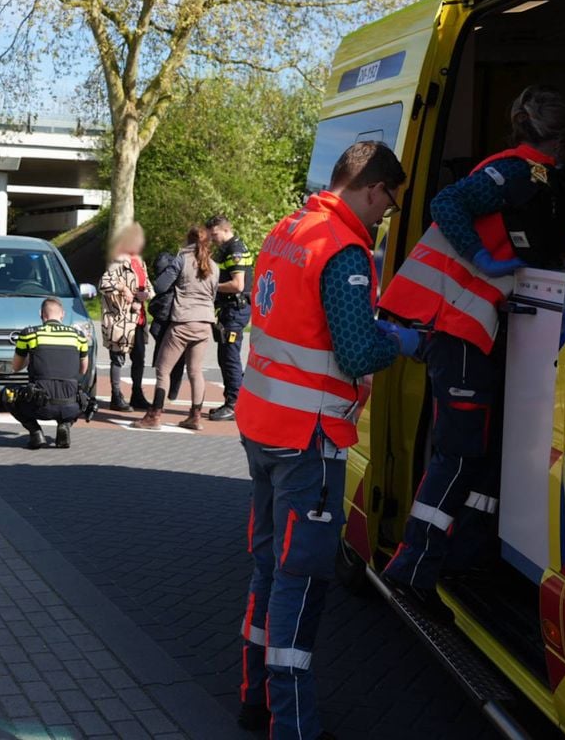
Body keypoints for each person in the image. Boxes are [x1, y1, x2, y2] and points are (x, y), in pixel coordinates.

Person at [234, 141, 415, 738]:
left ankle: (253, 698)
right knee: (301, 582)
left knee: (267, 567)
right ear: (372, 188)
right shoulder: (344, 250)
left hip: (262, 428)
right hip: (308, 439)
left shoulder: (289, 228)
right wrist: (405, 342)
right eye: (387, 207)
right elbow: (358, 351)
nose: (384, 219)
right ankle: (294, 728)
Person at [379, 86, 565, 614]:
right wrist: (483, 259)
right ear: (560, 135)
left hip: (470, 329)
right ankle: (412, 569)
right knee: (459, 455)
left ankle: (465, 554)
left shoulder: (538, 175)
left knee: (480, 455)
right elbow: (448, 204)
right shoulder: (518, 172)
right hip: (457, 328)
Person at [135, 226, 219, 430]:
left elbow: (162, 285)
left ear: (187, 240)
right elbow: (213, 296)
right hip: (205, 323)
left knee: (163, 370)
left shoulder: (181, 259)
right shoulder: (215, 266)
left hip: (183, 322)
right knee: (195, 371)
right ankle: (195, 417)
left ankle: (154, 416)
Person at [7, 298, 91, 449]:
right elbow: (83, 370)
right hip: (70, 404)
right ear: (62, 315)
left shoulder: (29, 334)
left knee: (7, 394)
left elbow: (16, 367)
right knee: (85, 398)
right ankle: (65, 424)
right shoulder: (78, 336)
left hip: (39, 405)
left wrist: (32, 359)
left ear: (41, 314)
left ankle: (35, 432)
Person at [99, 223, 152, 411]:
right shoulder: (119, 262)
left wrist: (146, 294)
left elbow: (148, 286)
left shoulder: (140, 262)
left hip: (138, 319)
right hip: (121, 321)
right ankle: (116, 396)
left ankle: (137, 393)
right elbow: (104, 284)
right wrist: (123, 289)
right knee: (118, 358)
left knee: (139, 359)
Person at [206, 215, 254, 421]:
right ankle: (235, 400)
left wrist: (210, 287)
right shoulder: (228, 248)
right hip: (229, 309)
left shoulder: (234, 250)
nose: (212, 238)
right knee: (225, 356)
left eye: (214, 234)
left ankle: (234, 404)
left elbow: (238, 285)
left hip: (235, 309)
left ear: (225, 230)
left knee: (230, 357)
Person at [147, 249, 187, 401]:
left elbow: (159, 287)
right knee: (182, 359)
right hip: (186, 317)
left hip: (166, 317)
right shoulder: (201, 265)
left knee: (163, 361)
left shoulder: (171, 266)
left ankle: (159, 401)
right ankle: (173, 392)